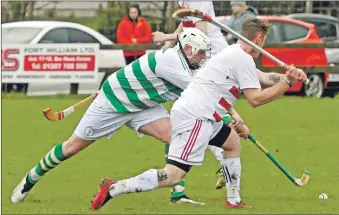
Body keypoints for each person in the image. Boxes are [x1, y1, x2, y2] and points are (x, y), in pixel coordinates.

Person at [90, 17, 307, 210]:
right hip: (195, 117)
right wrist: (287, 82)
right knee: (173, 175)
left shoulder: (236, 55)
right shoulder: (241, 58)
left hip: (204, 116)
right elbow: (256, 99)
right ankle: (114, 188)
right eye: (265, 40)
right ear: (259, 38)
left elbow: (262, 77)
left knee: (232, 143)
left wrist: (288, 75)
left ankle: (233, 200)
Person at [10, 28, 211, 205]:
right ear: (188, 49)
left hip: (142, 106)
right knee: (72, 147)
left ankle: (178, 194)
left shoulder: (185, 60)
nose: (203, 58)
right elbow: (202, 92)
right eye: (200, 53)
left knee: (175, 136)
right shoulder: (171, 62)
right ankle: (29, 179)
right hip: (114, 102)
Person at [152, 1, 236, 198]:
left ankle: (179, 190)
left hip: (212, 58)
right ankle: (181, 189)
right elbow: (186, 23)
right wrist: (167, 46)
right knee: (191, 116)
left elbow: (200, 33)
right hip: (197, 57)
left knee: (196, 116)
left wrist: (168, 36)